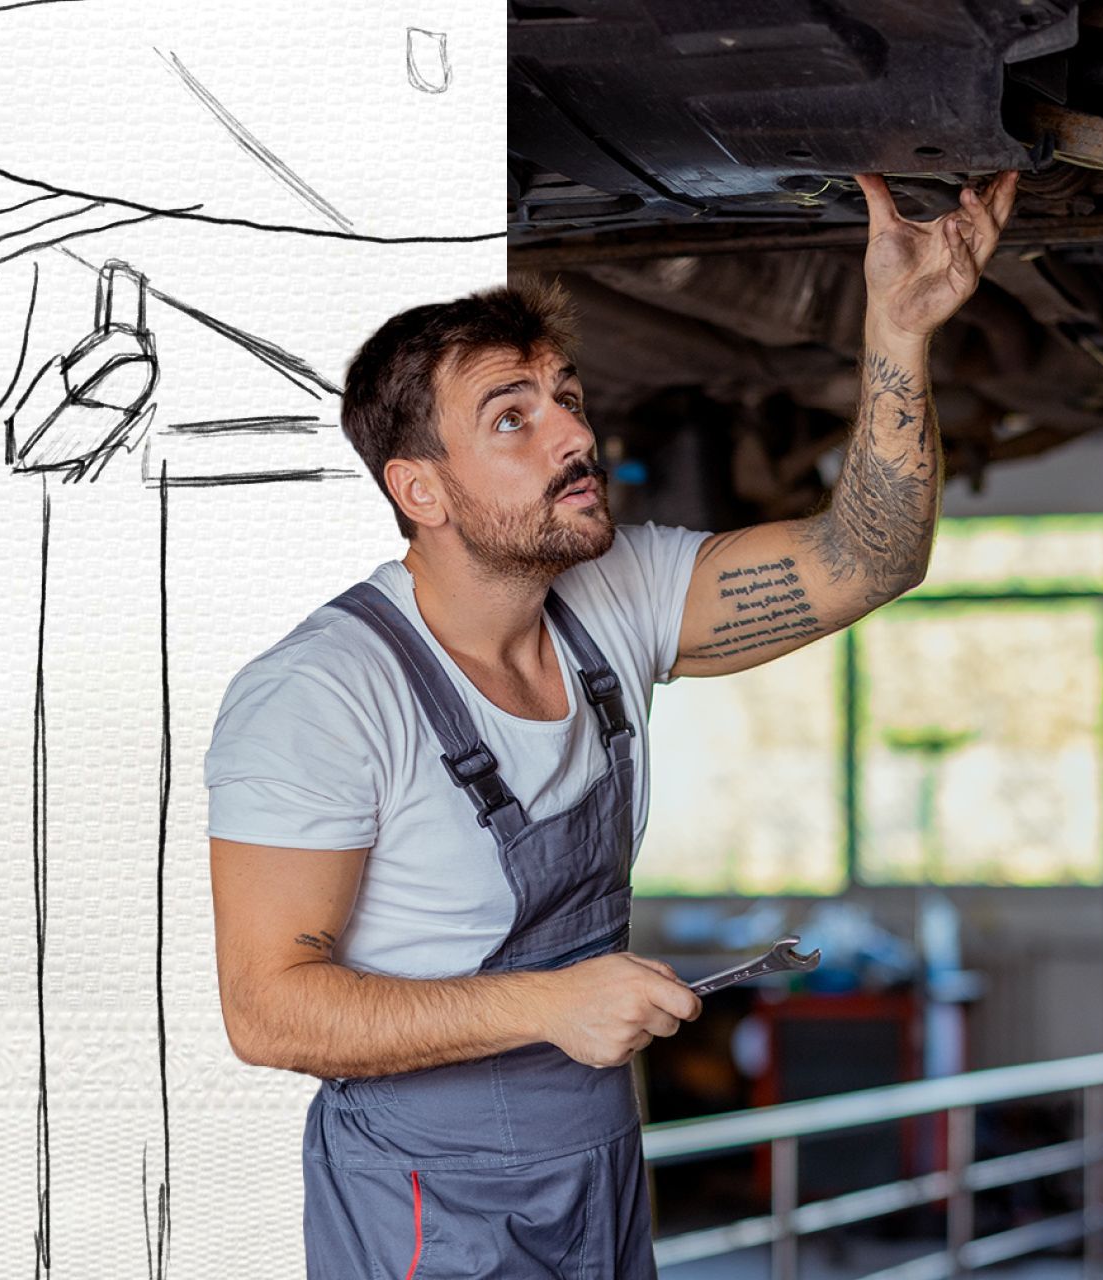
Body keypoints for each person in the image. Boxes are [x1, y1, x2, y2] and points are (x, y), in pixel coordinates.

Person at [205, 169, 1020, 1278]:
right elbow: (269, 1010)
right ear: (422, 490)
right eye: (513, 417)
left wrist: (899, 328)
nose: (571, 435)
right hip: (422, 1199)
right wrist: (551, 1002)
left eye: (568, 397)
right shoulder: (322, 693)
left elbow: (867, 557)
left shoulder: (614, 597)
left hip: (595, 1170)